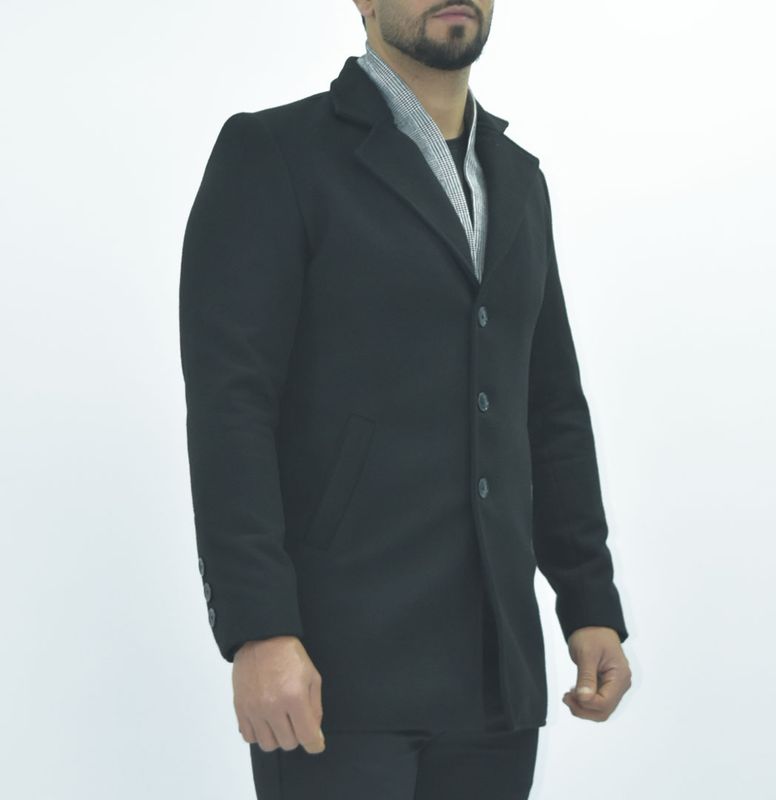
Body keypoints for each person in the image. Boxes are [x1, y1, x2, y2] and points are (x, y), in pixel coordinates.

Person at [178, 1, 632, 797]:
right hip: (333, 671)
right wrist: (259, 628)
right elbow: (231, 408)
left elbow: (550, 407)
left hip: (495, 678)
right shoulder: (276, 154)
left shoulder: (518, 179)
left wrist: (589, 600)